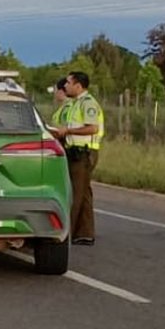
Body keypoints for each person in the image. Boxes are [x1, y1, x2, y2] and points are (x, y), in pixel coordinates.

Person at [55, 71, 105, 246]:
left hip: (84, 152)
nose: (65, 86)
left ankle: (66, 232)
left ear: (78, 85)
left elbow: (92, 128)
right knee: (83, 193)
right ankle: (84, 233)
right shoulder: (75, 103)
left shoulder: (88, 103)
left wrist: (68, 131)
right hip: (75, 151)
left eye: (68, 83)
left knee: (75, 193)